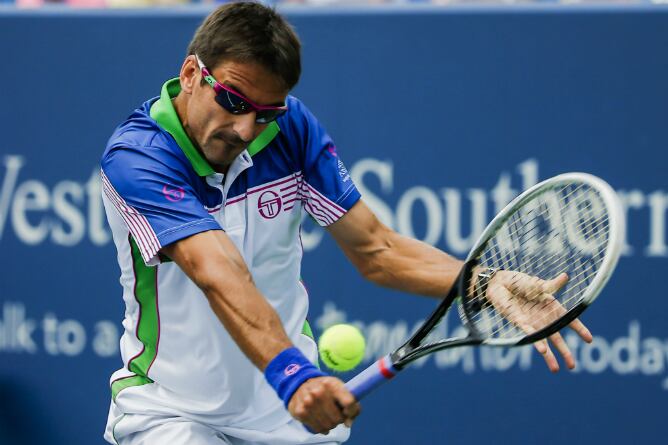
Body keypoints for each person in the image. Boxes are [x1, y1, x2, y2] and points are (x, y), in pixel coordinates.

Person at [100, 2, 592, 444]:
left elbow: (377, 251)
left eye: (266, 114)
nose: (247, 129)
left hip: (288, 418)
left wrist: (484, 282)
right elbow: (218, 272)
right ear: (191, 74)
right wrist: (294, 376)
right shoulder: (139, 157)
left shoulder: (291, 128)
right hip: (173, 414)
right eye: (233, 101)